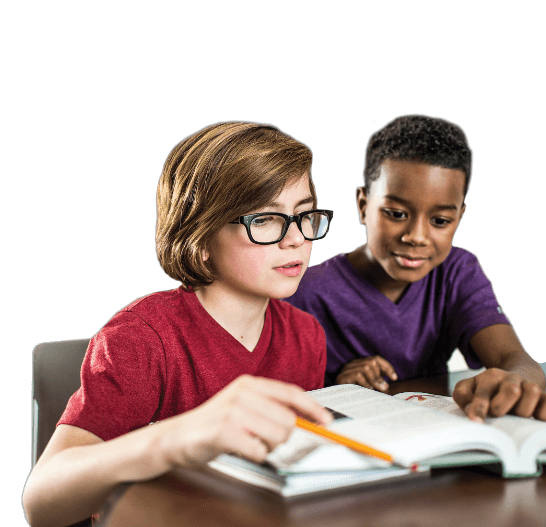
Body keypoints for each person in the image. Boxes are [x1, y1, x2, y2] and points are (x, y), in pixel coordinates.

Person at [23, 122, 334, 527]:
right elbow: (41, 502)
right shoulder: (140, 339)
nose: (296, 239)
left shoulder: (306, 335)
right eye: (264, 219)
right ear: (201, 240)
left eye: (304, 214)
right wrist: (181, 436)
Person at [285, 115, 546, 424]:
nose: (416, 236)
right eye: (396, 213)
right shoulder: (301, 290)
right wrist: (336, 385)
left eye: (440, 221)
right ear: (363, 205)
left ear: (459, 216)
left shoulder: (457, 273)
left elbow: (514, 358)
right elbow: (278, 398)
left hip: (437, 440)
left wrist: (517, 381)